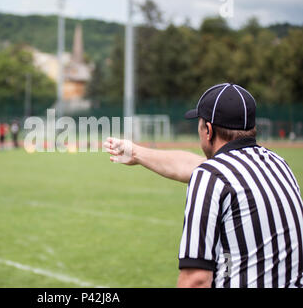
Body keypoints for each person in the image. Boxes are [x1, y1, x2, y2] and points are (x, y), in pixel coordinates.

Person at [105, 83, 303, 288]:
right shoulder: (276, 164)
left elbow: (195, 280)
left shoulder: (211, 176)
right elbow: (192, 166)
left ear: (208, 130)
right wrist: (136, 152)